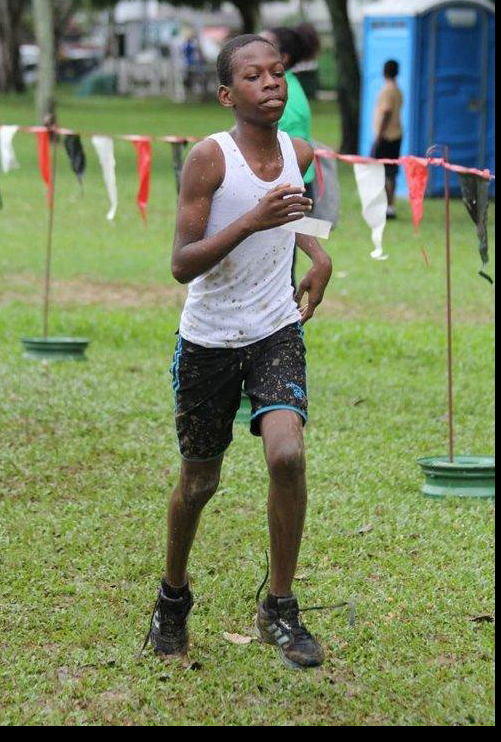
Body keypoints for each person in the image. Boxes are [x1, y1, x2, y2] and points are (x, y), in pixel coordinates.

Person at [144, 34, 333, 670]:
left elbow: (297, 213)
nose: (271, 83)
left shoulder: (298, 151)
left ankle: (279, 607)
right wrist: (251, 219)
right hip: (210, 339)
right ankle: (173, 596)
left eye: (277, 72)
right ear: (228, 95)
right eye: (254, 76)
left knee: (287, 455)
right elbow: (181, 262)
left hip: (275, 328)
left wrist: (320, 255)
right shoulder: (209, 160)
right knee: (200, 481)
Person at [260, 25, 320, 287]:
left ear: (282, 58)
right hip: (289, 185)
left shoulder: (284, 98)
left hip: (291, 187)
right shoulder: (284, 87)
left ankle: (286, 310)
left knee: (278, 269)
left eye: (265, 46)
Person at [372, 59, 404, 219]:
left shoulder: (387, 90)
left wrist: (380, 133)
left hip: (386, 136)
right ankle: (390, 206)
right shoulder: (398, 90)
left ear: (384, 71)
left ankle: (384, 205)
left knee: (383, 172)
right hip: (396, 134)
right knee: (392, 172)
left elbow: (386, 111)